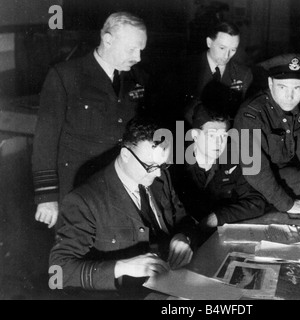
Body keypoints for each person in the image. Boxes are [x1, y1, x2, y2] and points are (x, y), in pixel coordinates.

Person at [49, 116, 197, 292]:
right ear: (125, 155)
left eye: (163, 165)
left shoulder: (161, 177)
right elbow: (57, 272)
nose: (158, 173)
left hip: (169, 283)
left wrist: (183, 236)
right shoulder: (85, 200)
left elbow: (184, 219)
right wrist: (122, 267)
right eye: (150, 166)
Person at [32, 12, 150, 228]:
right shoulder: (66, 75)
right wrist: (47, 198)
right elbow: (45, 142)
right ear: (107, 40)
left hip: (120, 187)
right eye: (132, 49)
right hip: (78, 188)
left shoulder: (137, 78)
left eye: (141, 50)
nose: (138, 57)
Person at [233, 53, 300, 215]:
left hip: (281, 174)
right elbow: (253, 169)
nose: (290, 97)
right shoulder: (252, 114)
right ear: (270, 83)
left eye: (297, 88)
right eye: (282, 87)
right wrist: (287, 204)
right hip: (248, 179)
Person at [176, 103, 266, 232]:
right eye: (211, 135)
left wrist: (217, 218)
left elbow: (256, 202)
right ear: (195, 135)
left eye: (223, 136)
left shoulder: (233, 159)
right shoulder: (176, 165)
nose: (218, 143)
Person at [181, 21, 253, 123]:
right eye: (222, 48)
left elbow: (242, 118)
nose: (227, 55)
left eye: (233, 49)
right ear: (209, 42)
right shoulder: (185, 68)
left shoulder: (244, 74)